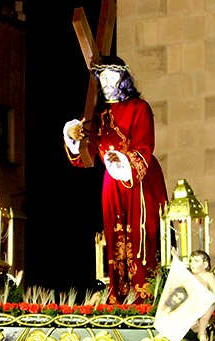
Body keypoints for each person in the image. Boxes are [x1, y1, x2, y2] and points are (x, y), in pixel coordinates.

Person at [62, 56, 168, 302]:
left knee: (142, 238)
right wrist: (73, 134)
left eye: (113, 76)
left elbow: (144, 146)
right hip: (112, 184)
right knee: (115, 237)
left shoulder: (139, 107)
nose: (108, 82)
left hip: (139, 181)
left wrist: (122, 161)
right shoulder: (96, 114)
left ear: (124, 78)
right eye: (103, 77)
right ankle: (120, 295)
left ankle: (144, 296)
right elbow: (83, 157)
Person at [188, 251, 215, 341]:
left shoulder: (208, 276)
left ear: (205, 264)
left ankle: (202, 333)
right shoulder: (190, 276)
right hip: (195, 302)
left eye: (196, 261)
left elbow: (214, 288)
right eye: (191, 261)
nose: (192, 264)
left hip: (207, 302)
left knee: (204, 318)